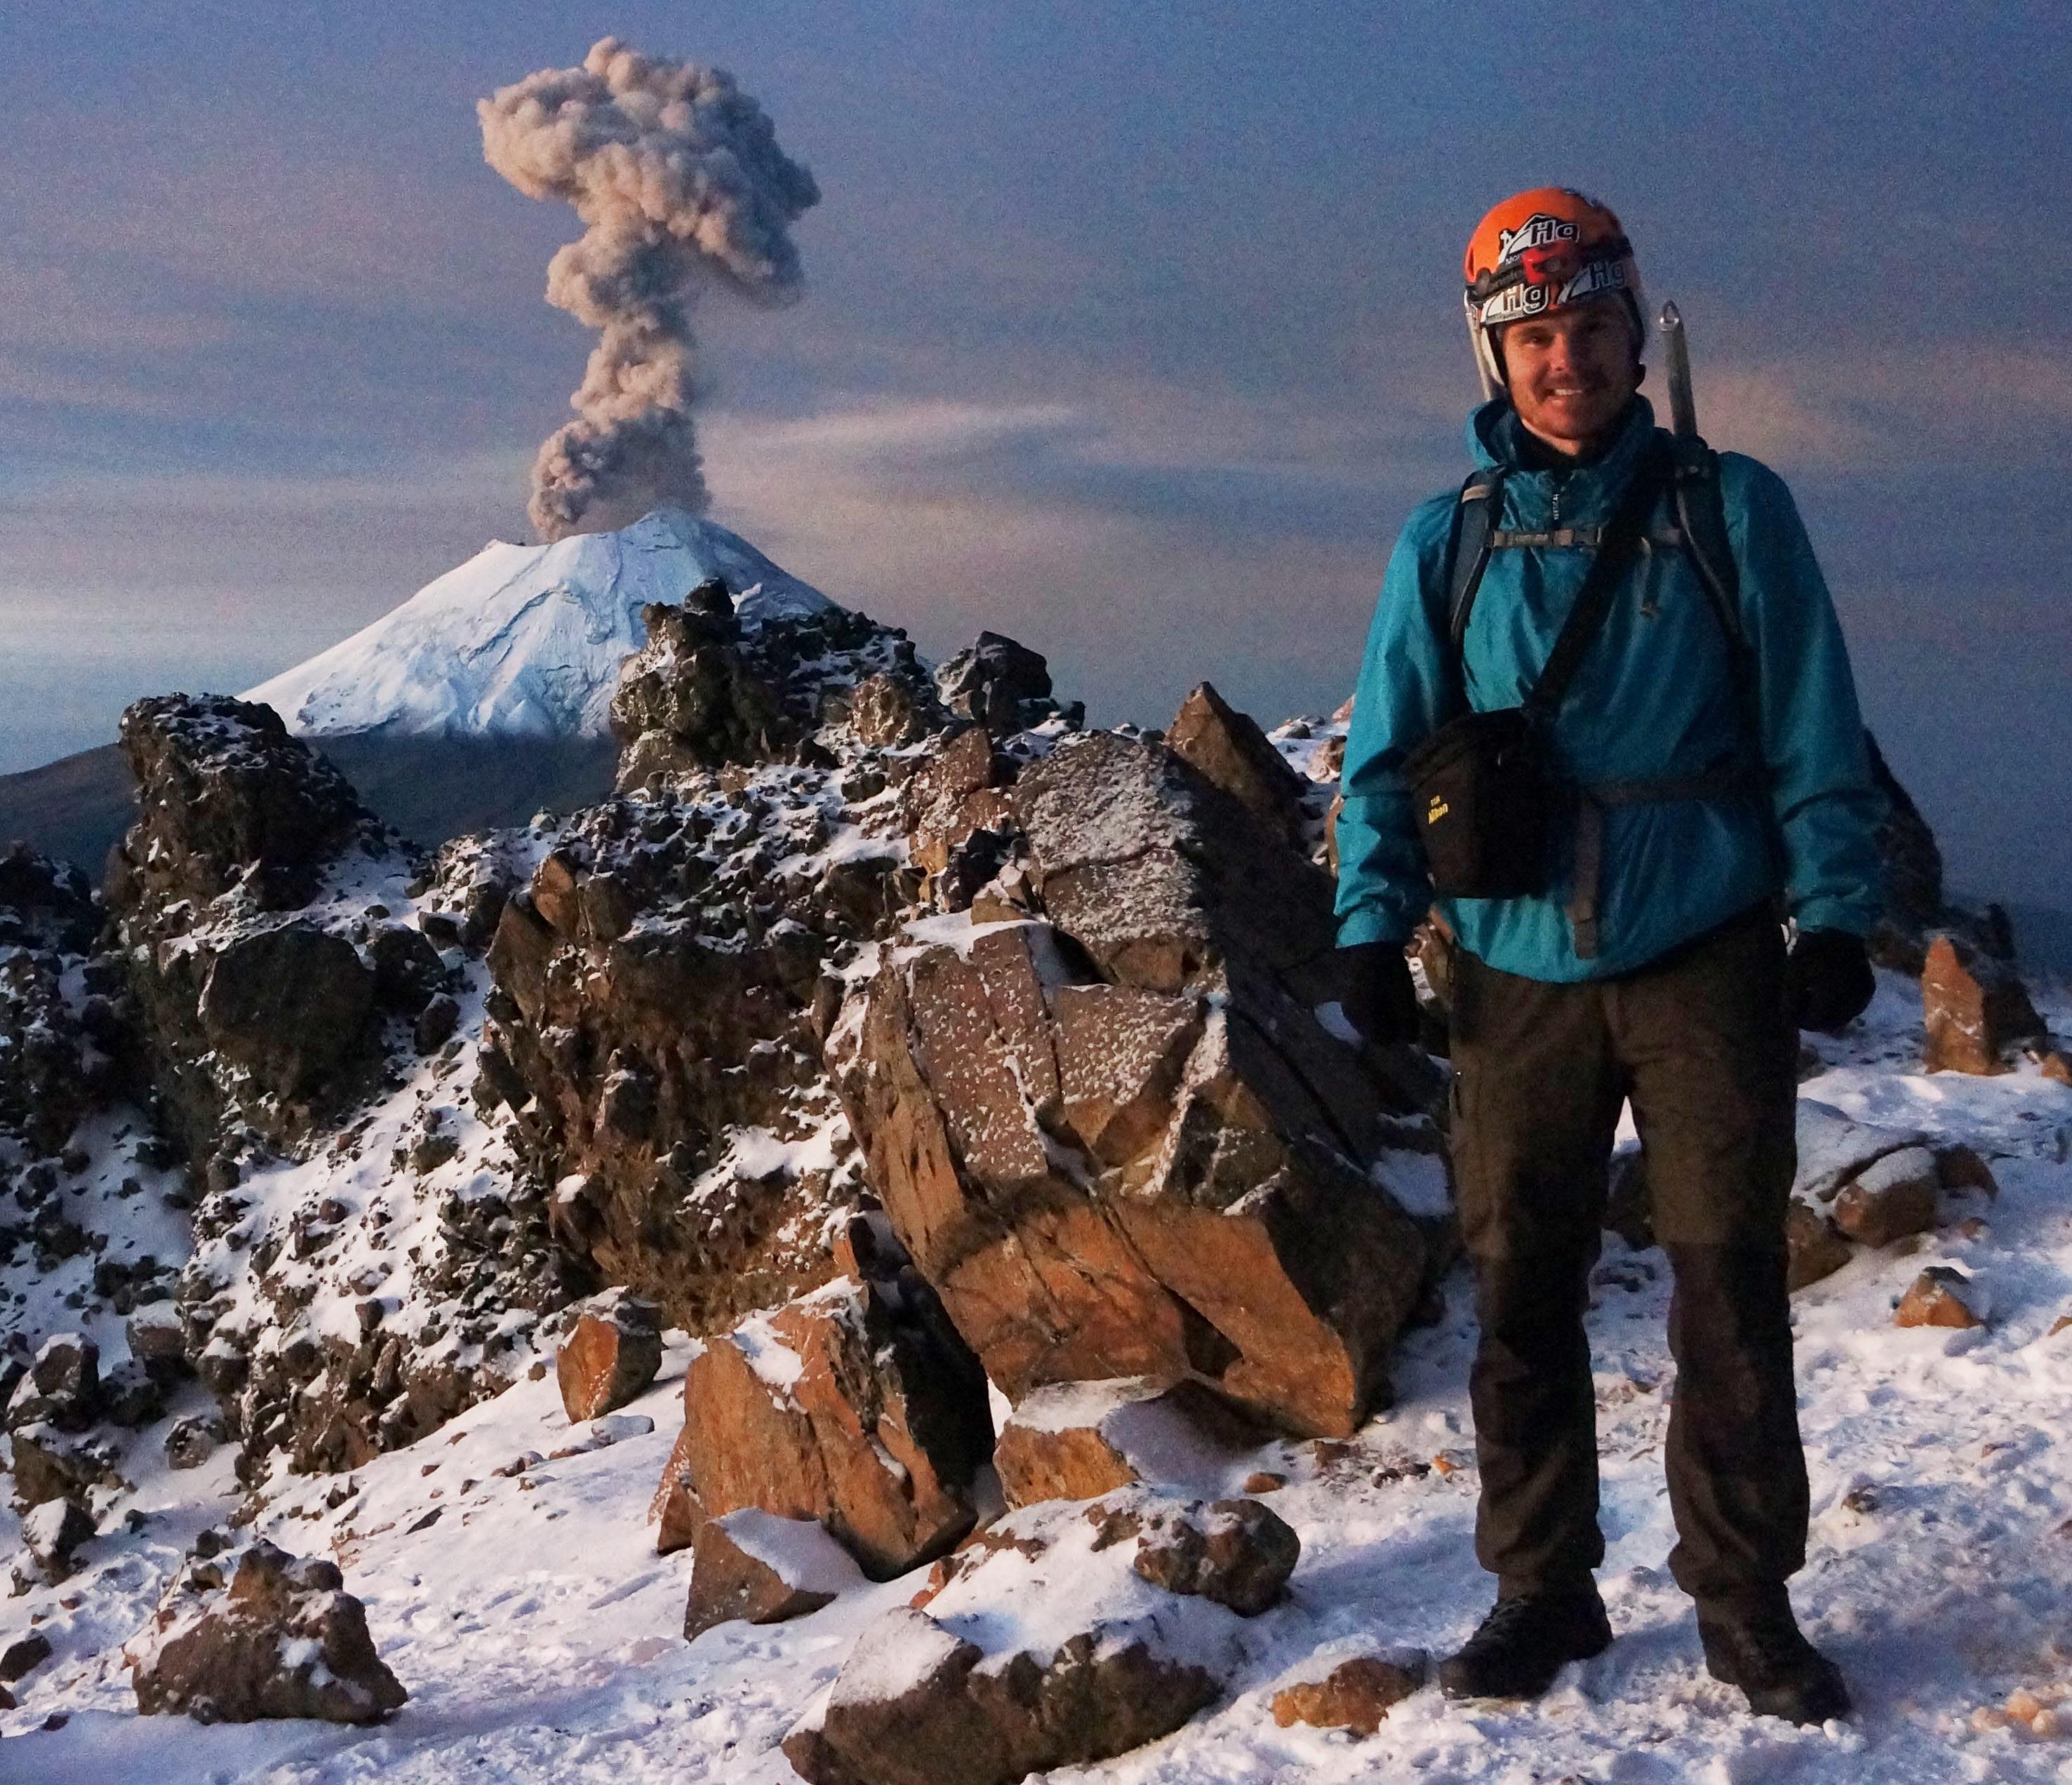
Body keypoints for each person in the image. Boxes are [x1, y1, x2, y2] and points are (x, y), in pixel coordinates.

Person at [1334, 187, 1883, 1725]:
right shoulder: (1446, 541)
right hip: (1512, 964)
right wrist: (1370, 927)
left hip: (1702, 944)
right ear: (1493, 357)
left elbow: (1809, 720)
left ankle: (1744, 1599)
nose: (1563, 359)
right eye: (1532, 337)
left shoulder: (1731, 507)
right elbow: (1388, 749)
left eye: (1587, 328)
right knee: (1520, 1291)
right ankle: (1539, 1588)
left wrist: (1831, 908)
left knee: (1725, 1288)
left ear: (1633, 336)